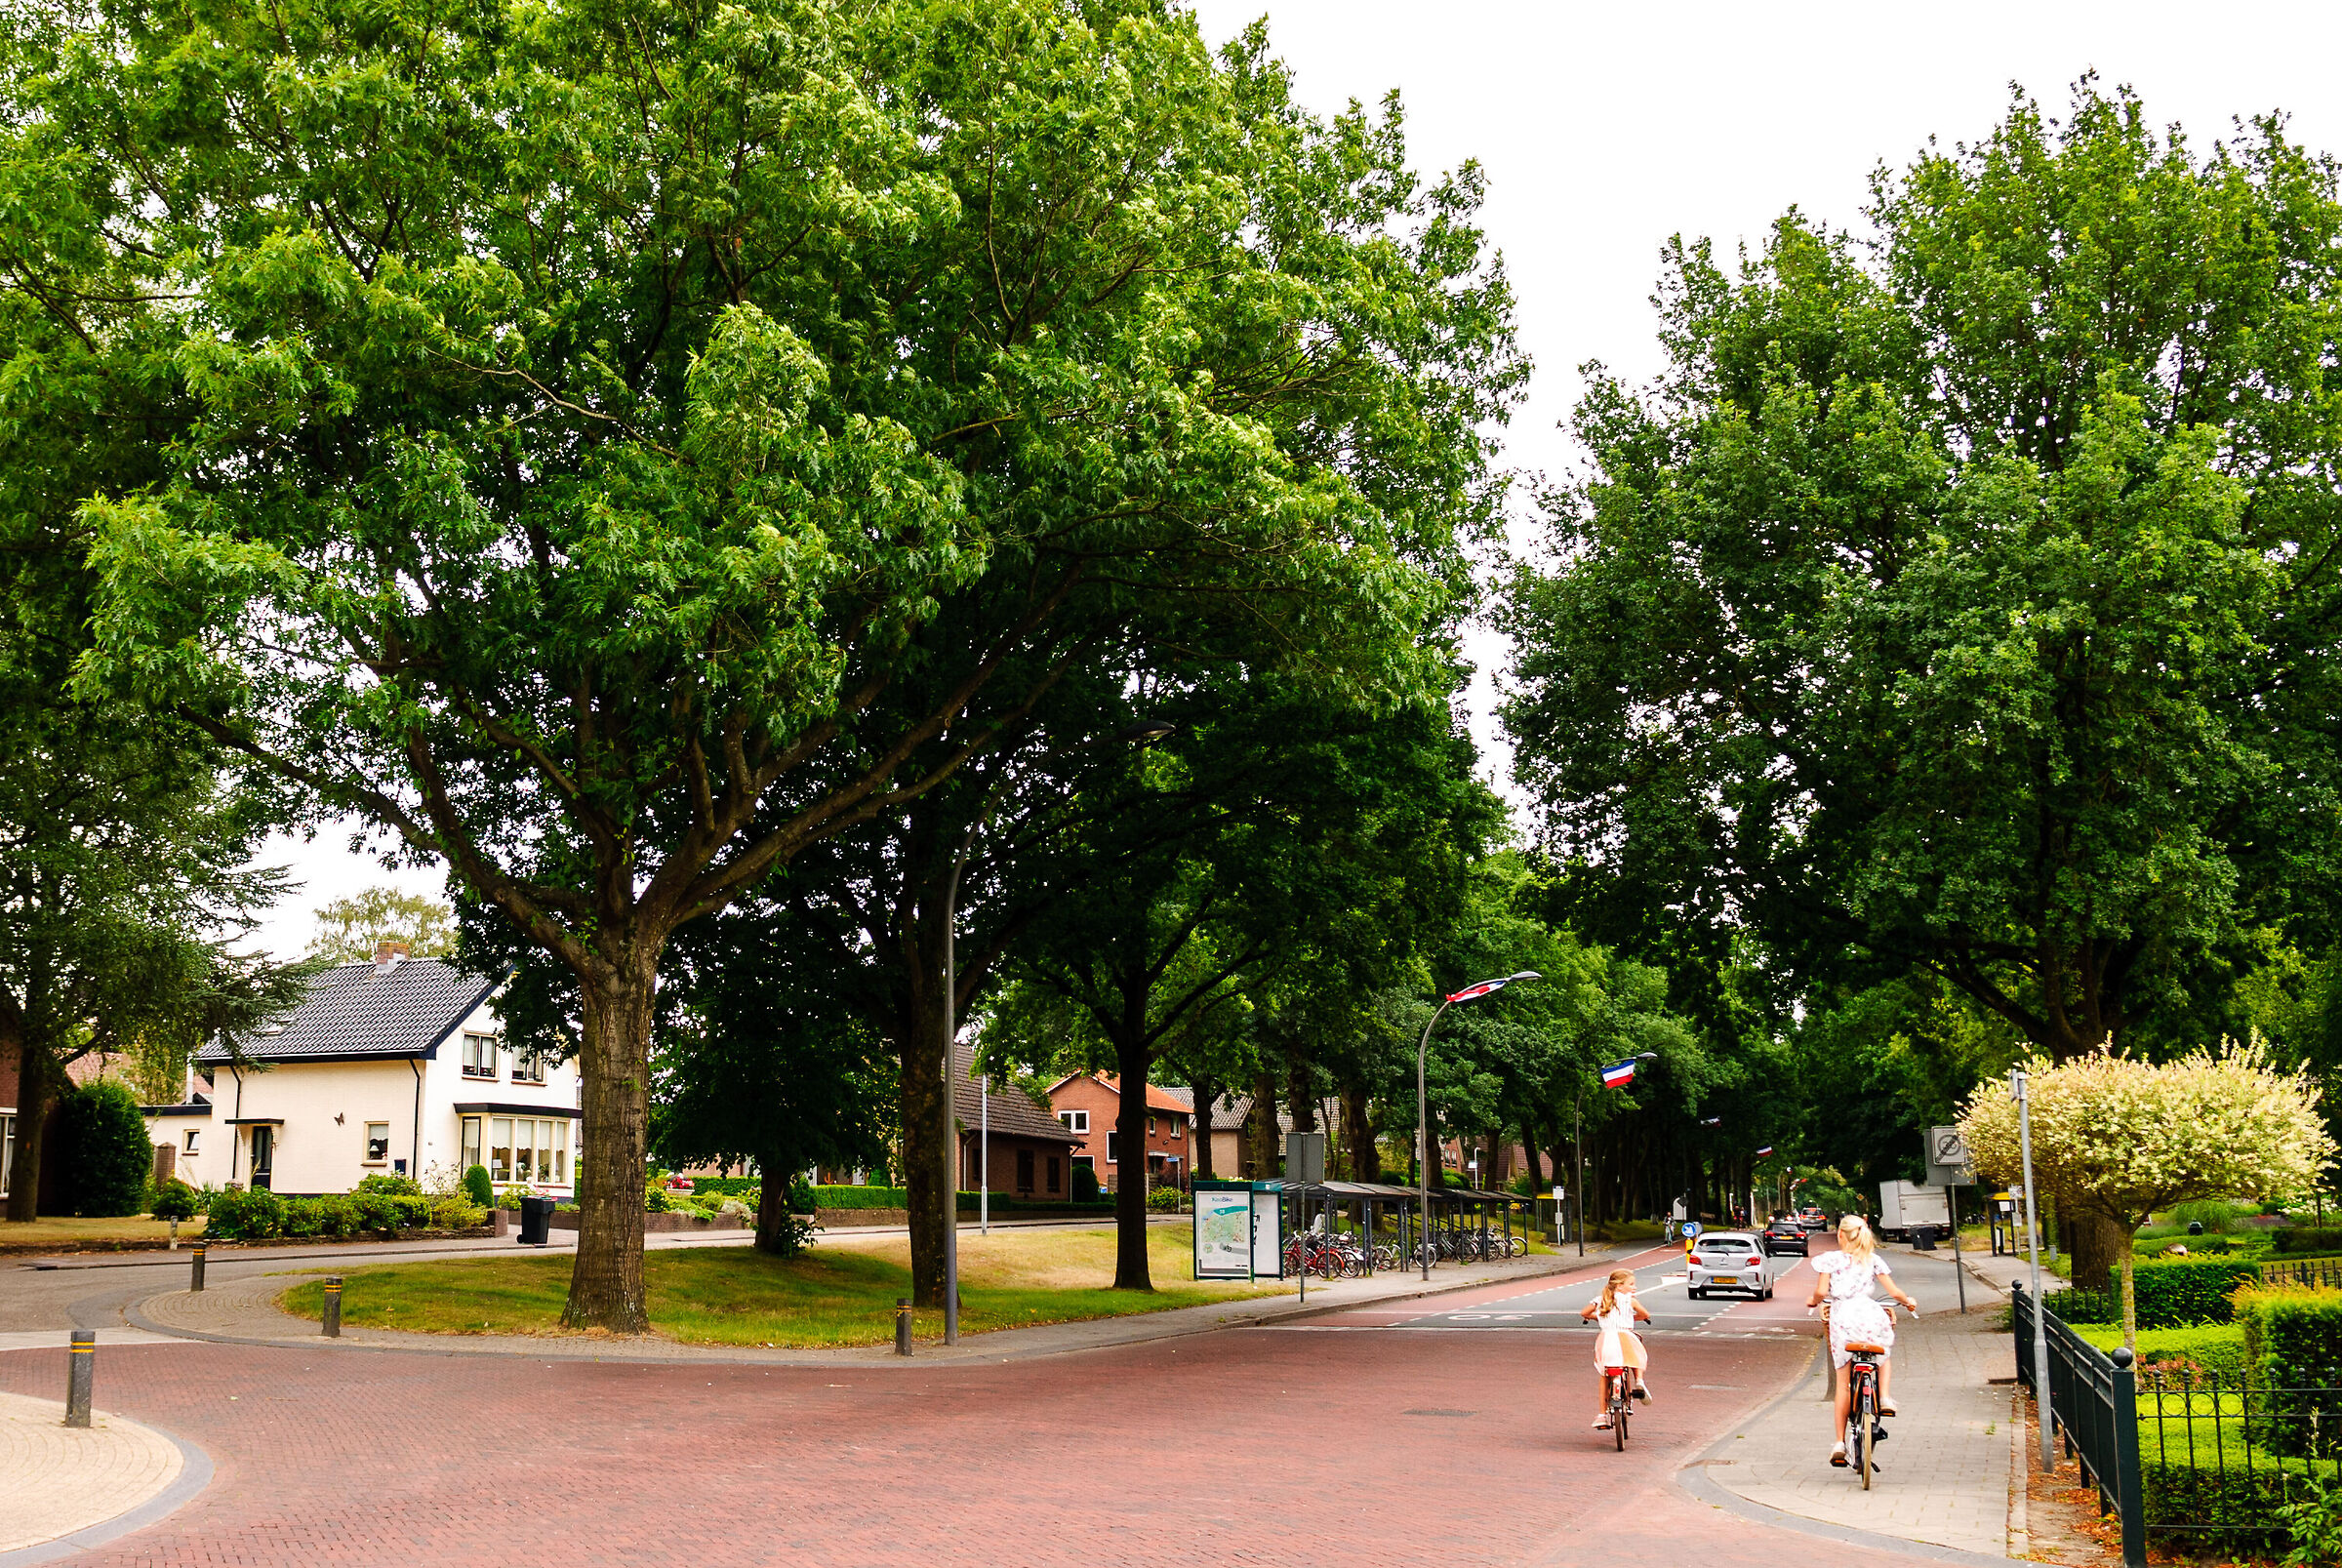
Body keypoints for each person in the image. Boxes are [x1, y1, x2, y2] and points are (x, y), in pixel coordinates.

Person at [1807, 1214, 1919, 1466]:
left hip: (1843, 1320)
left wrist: (1813, 1301)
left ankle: (1839, 1443)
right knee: (1884, 1354)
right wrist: (1909, 1302)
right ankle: (1885, 1398)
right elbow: (1894, 1292)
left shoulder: (1829, 1261)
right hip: (1870, 1316)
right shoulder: (1873, 1260)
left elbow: (1821, 1292)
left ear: (1840, 1235)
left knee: (1843, 1383)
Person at [1580, 1268, 1653, 1428]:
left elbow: (1584, 1312)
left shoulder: (1600, 1300)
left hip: (1606, 1340)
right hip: (1625, 1337)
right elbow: (1644, 1314)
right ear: (1619, 1286)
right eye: (1631, 1284)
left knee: (1604, 1375)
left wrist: (1598, 1316)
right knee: (1636, 1356)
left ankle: (1601, 1415)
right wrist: (1633, 1317)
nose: (1634, 1287)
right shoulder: (1630, 1300)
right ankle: (1639, 1381)